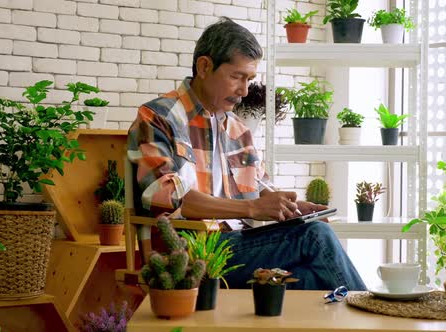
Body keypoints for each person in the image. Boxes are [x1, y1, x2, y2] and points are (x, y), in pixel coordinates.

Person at [127, 17, 366, 291]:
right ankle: (379, 316)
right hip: (189, 252)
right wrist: (251, 208)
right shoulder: (159, 117)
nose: (244, 91)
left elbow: (262, 188)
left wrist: (293, 209)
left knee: (313, 276)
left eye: (250, 79)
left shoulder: (238, 130)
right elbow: (165, 198)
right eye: (236, 77)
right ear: (205, 67)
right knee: (316, 237)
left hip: (239, 245)